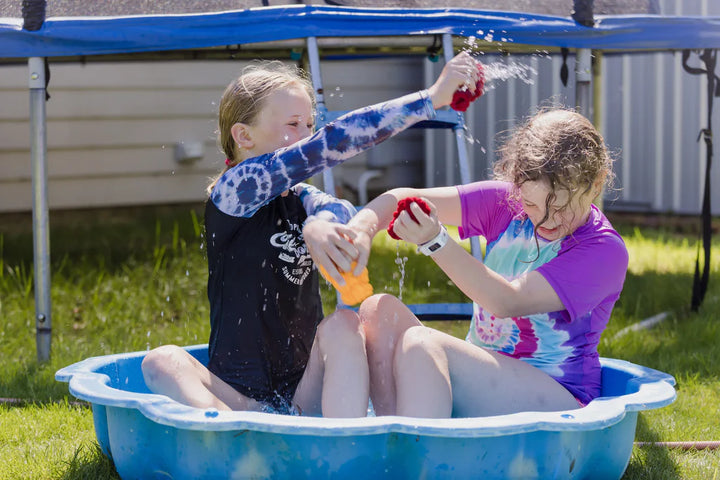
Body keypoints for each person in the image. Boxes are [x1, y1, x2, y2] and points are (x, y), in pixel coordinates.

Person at [141, 53, 480, 417]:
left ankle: (340, 450)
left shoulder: (302, 197)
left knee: (344, 324)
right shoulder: (234, 190)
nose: (306, 136)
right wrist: (430, 99)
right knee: (161, 361)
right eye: (293, 124)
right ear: (244, 136)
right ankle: (238, 438)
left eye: (309, 124)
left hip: (304, 394)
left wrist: (319, 226)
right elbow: (329, 144)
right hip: (238, 402)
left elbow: (340, 212)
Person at [347, 106, 629, 418]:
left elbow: (507, 301)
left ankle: (425, 458)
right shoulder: (505, 204)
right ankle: (392, 435)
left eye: (562, 206)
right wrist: (360, 229)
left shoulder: (603, 251)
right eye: (532, 204)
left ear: (596, 185)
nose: (546, 220)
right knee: (377, 312)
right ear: (517, 184)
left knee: (422, 344)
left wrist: (434, 240)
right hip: (488, 379)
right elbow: (399, 198)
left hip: (559, 396)